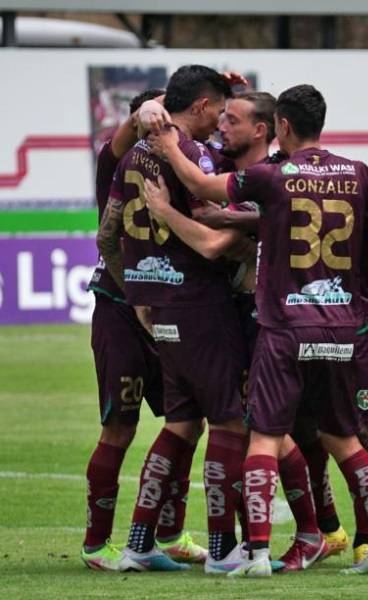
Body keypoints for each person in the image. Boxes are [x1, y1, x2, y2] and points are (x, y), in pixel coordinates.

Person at [148, 83, 368, 577]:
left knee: (264, 437)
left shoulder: (273, 176)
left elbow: (203, 188)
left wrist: (165, 149)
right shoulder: (358, 173)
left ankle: (260, 554)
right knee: (345, 438)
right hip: (342, 326)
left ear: (281, 127)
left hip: (286, 324)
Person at [97, 64, 247, 573]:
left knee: (182, 423)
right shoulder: (195, 158)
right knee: (229, 421)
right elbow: (213, 240)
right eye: (218, 112)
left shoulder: (131, 157)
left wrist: (138, 288)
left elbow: (106, 237)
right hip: (200, 306)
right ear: (201, 106)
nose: (219, 122)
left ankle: (140, 542)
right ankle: (224, 551)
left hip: (156, 308)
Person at [82, 87, 209, 570]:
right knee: (120, 427)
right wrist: (140, 114)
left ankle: (172, 533)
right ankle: (97, 545)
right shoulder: (116, 157)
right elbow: (125, 135)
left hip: (167, 310)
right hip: (121, 308)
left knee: (188, 422)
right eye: (158, 112)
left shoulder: (179, 159)